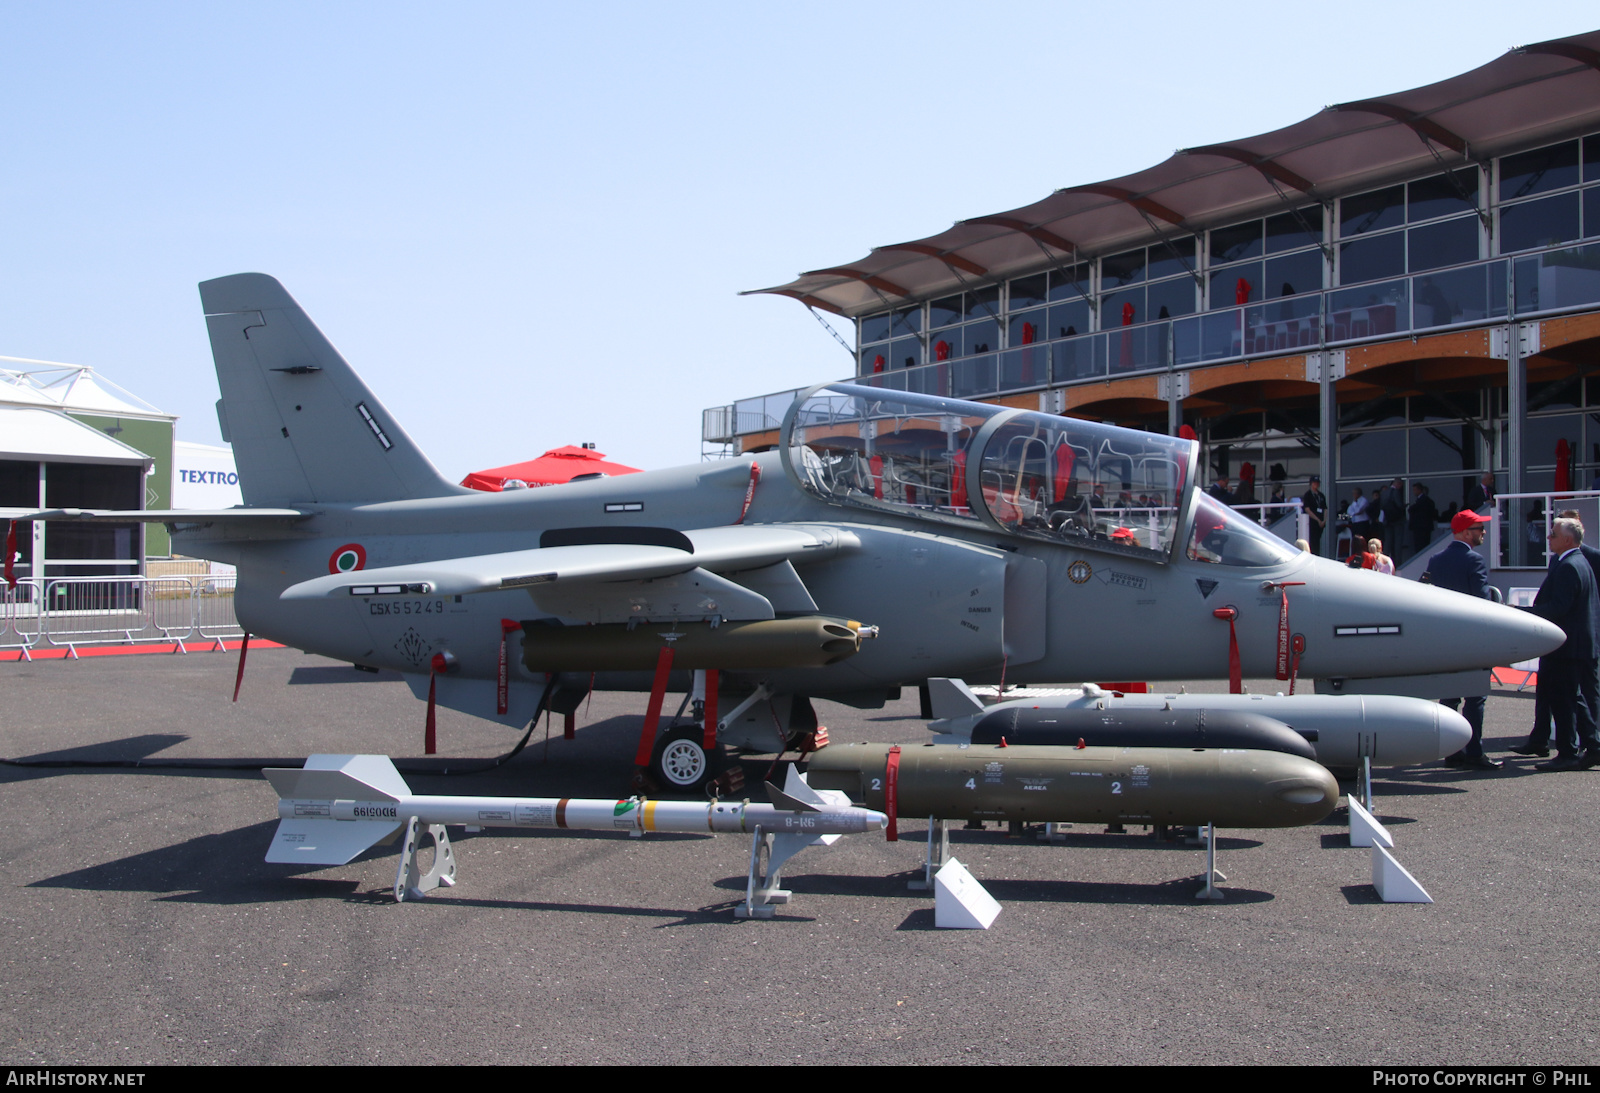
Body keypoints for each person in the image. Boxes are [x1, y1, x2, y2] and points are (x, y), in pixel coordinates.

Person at [1423, 510, 1502, 770]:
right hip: (1473, 639)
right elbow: (1482, 601)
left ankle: (1452, 751)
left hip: (1445, 640)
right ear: (1466, 532)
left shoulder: (1435, 560)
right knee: (1476, 697)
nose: (1483, 532)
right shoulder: (1474, 560)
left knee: (1449, 697)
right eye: (1479, 528)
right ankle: (1474, 751)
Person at [1522, 517, 1600, 771]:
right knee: (1572, 697)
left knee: (1564, 700)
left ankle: (1568, 752)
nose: (1549, 538)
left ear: (1567, 539)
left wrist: (1523, 612)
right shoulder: (1577, 562)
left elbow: (1559, 607)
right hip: (1575, 644)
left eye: (1553, 534)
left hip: (1566, 646)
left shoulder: (1569, 566)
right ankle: (1592, 745)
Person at [1407, 483, 1439, 561]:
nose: (1413, 492)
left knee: (1420, 546)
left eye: (1415, 490)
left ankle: (1421, 560)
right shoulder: (1425, 501)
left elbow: (1413, 509)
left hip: (1420, 527)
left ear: (1419, 490)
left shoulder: (1422, 501)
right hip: (1424, 527)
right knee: (1423, 545)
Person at [1301, 475, 1328, 556]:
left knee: (1317, 541)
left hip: (1320, 524)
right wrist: (1317, 520)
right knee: (1312, 541)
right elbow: (1307, 509)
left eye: (1317, 483)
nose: (1316, 484)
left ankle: (1317, 555)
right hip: (1312, 522)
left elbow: (1325, 508)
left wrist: (1324, 520)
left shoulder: (1321, 495)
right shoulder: (1308, 495)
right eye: (1314, 483)